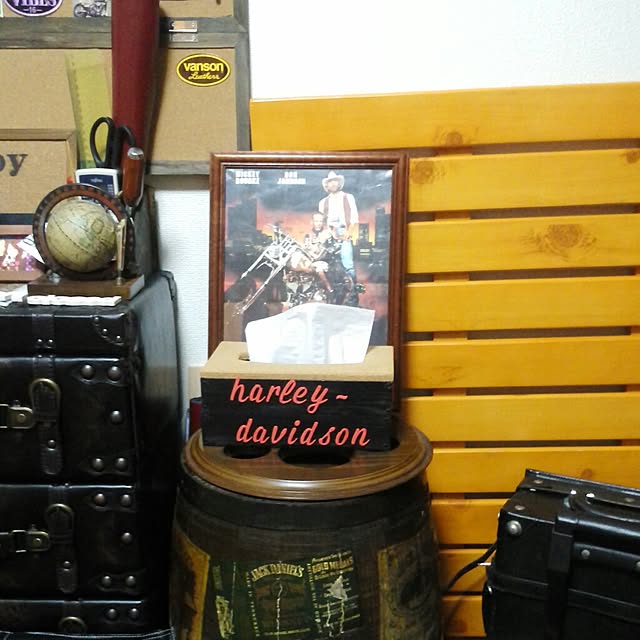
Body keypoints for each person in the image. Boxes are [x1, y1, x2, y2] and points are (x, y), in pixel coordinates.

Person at [318, 171, 358, 279]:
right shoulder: (323, 202)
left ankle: (352, 288)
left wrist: (348, 233)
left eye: (335, 181)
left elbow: (354, 218)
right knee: (328, 264)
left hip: (344, 232)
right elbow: (321, 220)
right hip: (329, 233)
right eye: (330, 182)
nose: (333, 184)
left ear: (339, 183)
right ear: (327, 185)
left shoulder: (348, 197)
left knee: (347, 263)